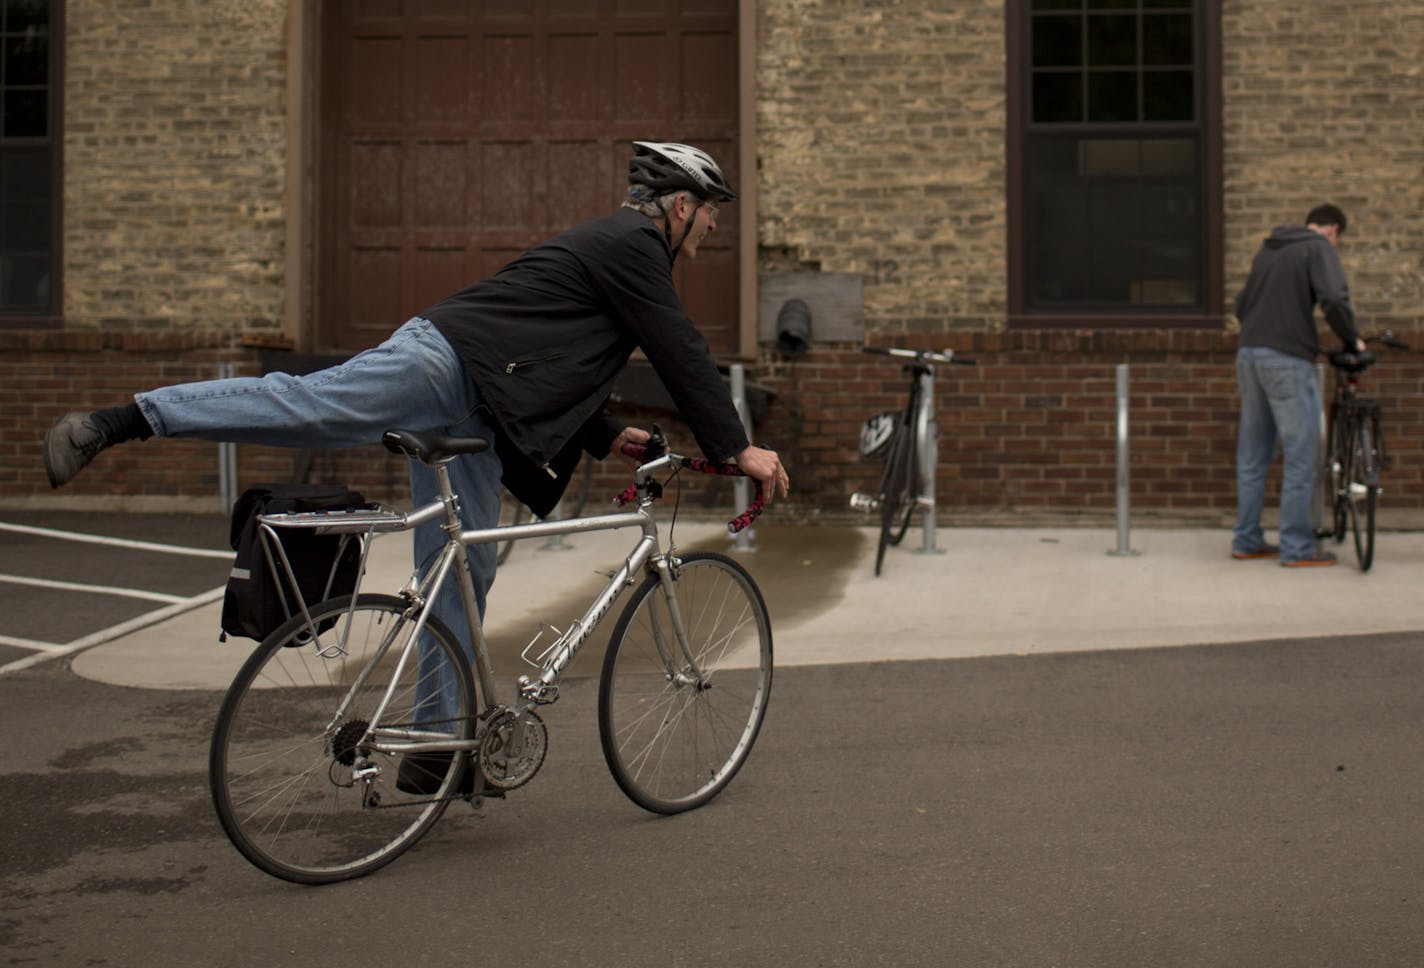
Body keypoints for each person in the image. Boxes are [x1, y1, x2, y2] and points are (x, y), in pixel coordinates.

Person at [44, 141, 791, 788]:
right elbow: (681, 352)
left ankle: (436, 748)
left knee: (461, 575)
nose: (716, 225)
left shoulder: (619, 254)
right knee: (312, 408)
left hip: (479, 407)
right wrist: (737, 449)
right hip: (441, 366)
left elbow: (549, 351)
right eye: (712, 209)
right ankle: (124, 420)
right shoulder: (634, 245)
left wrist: (601, 433)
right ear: (681, 205)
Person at [1232, 203, 1363, 567]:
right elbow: (1334, 298)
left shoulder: (1270, 248)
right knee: (1301, 452)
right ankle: (1297, 547)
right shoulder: (1317, 247)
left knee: (1254, 453)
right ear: (1333, 230)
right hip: (1286, 359)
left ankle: (1246, 539)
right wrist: (1352, 340)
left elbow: (1242, 305)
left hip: (1249, 354)